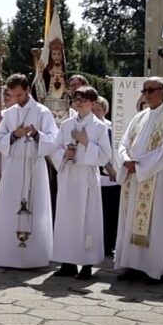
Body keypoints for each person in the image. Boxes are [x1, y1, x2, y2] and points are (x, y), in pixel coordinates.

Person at [0, 74, 58, 269]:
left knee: (36, 208)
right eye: (13, 95)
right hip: (13, 167)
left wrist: (37, 134)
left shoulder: (42, 112)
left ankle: (35, 256)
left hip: (34, 166)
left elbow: (54, 139)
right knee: (9, 208)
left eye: (20, 95)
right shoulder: (9, 113)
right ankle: (8, 255)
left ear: (28, 90)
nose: (17, 99)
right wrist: (14, 134)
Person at [114, 78, 163, 284]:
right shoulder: (139, 117)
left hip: (158, 178)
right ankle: (133, 265)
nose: (147, 94)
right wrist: (126, 160)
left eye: (151, 90)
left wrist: (139, 166)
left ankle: (154, 269)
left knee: (156, 223)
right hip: (135, 178)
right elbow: (124, 142)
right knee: (132, 222)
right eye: (145, 90)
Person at [51, 86, 112, 279]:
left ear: (93, 103)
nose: (79, 103)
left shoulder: (99, 127)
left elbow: (105, 156)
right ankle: (67, 262)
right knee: (67, 219)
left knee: (87, 220)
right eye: (76, 99)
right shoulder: (66, 124)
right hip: (69, 175)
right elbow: (54, 149)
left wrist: (86, 142)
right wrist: (64, 154)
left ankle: (86, 264)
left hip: (86, 178)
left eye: (83, 100)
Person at [94, 96, 120, 257]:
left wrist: (111, 169)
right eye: (93, 109)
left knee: (111, 213)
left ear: (105, 111)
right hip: (97, 176)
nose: (95, 113)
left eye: (98, 110)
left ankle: (109, 244)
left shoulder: (110, 128)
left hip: (111, 178)